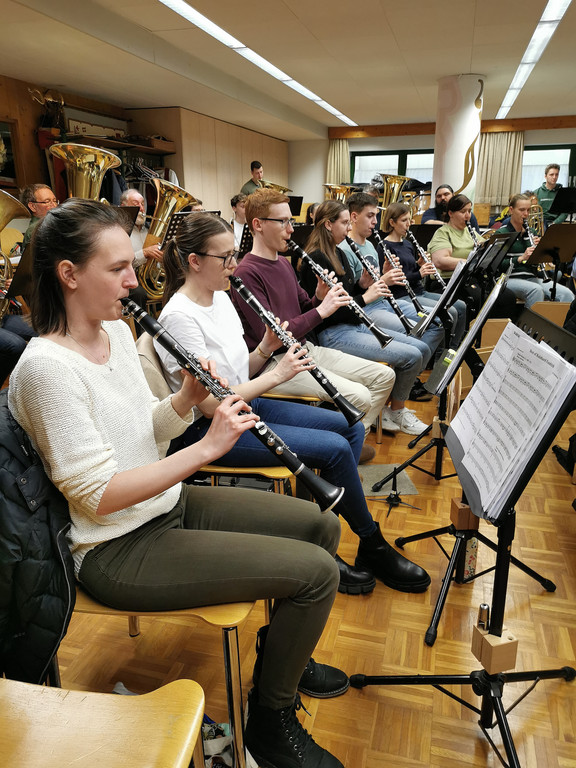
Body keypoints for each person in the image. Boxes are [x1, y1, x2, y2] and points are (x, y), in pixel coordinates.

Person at [8, 198, 347, 768]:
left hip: (163, 504)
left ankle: (283, 657)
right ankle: (270, 722)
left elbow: (147, 428)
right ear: (69, 274)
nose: (133, 280)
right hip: (115, 547)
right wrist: (207, 449)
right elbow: (98, 495)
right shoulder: (46, 369)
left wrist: (185, 401)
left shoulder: (116, 335)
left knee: (319, 525)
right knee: (317, 574)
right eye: (118, 268)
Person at [156, 212, 429, 595]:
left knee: (351, 427)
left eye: (234, 255)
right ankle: (369, 542)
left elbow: (240, 372)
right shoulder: (180, 318)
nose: (234, 265)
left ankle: (316, 526)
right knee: (335, 449)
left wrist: (265, 348)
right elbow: (208, 406)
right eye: (226, 257)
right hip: (212, 428)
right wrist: (277, 374)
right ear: (194, 261)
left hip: (244, 406)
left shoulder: (220, 298)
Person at [229, 188, 396, 462]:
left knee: (384, 376)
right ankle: (342, 448)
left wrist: (318, 297)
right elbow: (270, 336)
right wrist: (321, 310)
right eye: (283, 222)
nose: (291, 230)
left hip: (304, 350)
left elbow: (304, 308)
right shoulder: (246, 272)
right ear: (257, 224)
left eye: (291, 221)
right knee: (361, 397)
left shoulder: (283, 263)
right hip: (276, 363)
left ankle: (353, 442)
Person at [300, 199, 431, 435]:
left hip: (355, 324)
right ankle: (396, 411)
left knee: (422, 348)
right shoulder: (316, 259)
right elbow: (332, 311)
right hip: (333, 333)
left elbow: (349, 294)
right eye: (344, 223)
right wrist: (366, 296)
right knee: (412, 356)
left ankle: (390, 409)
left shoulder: (339, 252)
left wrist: (363, 284)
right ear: (328, 224)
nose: (349, 228)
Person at [381, 202, 467, 346]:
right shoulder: (384, 246)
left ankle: (455, 348)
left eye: (409, 220)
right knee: (450, 312)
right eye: (404, 220)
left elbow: (409, 269)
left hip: (419, 291)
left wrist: (419, 264)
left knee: (461, 306)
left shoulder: (407, 244)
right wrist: (419, 274)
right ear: (392, 222)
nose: (408, 224)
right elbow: (394, 279)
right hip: (402, 295)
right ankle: (441, 353)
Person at [427, 194, 517, 320]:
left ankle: (494, 330)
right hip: (451, 282)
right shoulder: (443, 233)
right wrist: (471, 261)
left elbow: (486, 249)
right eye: (463, 211)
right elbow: (440, 261)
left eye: (469, 211)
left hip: (472, 279)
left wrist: (486, 249)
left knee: (507, 297)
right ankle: (474, 330)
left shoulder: (470, 231)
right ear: (451, 213)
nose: (468, 215)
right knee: (480, 300)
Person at [497, 194, 574, 308]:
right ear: (511, 210)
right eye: (522, 210)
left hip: (530, 278)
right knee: (536, 290)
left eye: (528, 210)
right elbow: (497, 265)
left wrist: (540, 252)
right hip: (508, 279)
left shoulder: (532, 232)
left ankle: (558, 320)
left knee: (567, 294)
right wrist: (521, 258)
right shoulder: (502, 233)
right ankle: (531, 320)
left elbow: (534, 265)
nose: (526, 214)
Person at [119, 188, 163, 268]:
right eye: (136, 204)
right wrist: (145, 253)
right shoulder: (119, 233)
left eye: (142, 204)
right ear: (124, 207)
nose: (142, 209)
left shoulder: (150, 230)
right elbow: (120, 264)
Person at [20, 184, 58, 250]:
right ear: (32, 206)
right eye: (47, 201)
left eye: (55, 201)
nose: (54, 205)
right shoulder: (36, 230)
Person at [535, 163, 568, 227]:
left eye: (556, 174)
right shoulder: (536, 193)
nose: (554, 177)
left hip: (556, 224)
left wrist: (554, 223)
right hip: (541, 224)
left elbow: (565, 212)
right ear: (545, 176)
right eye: (551, 174)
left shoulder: (562, 193)